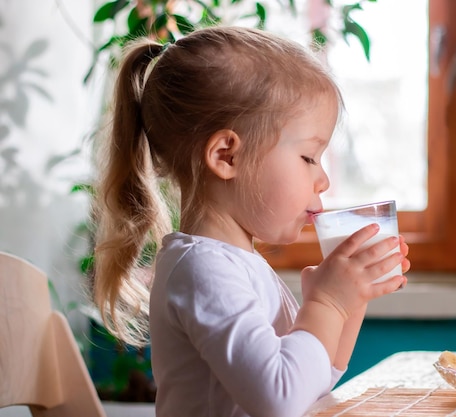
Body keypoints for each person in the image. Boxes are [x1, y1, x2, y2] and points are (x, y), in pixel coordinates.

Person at [93, 25, 409, 417]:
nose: (323, 178)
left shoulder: (235, 262)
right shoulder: (204, 270)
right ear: (227, 156)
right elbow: (280, 399)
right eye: (309, 157)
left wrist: (349, 301)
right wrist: (327, 303)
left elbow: (312, 383)